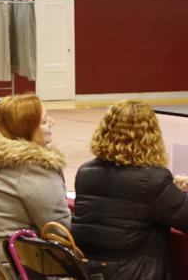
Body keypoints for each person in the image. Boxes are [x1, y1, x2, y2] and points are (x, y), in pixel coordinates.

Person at [0, 94, 70, 279]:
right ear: (24, 130)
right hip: (8, 269)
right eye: (44, 121)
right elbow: (60, 230)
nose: (53, 122)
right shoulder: (32, 168)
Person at [72, 100, 188, 280]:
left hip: (88, 271)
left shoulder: (85, 172)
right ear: (151, 135)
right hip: (135, 273)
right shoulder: (154, 179)